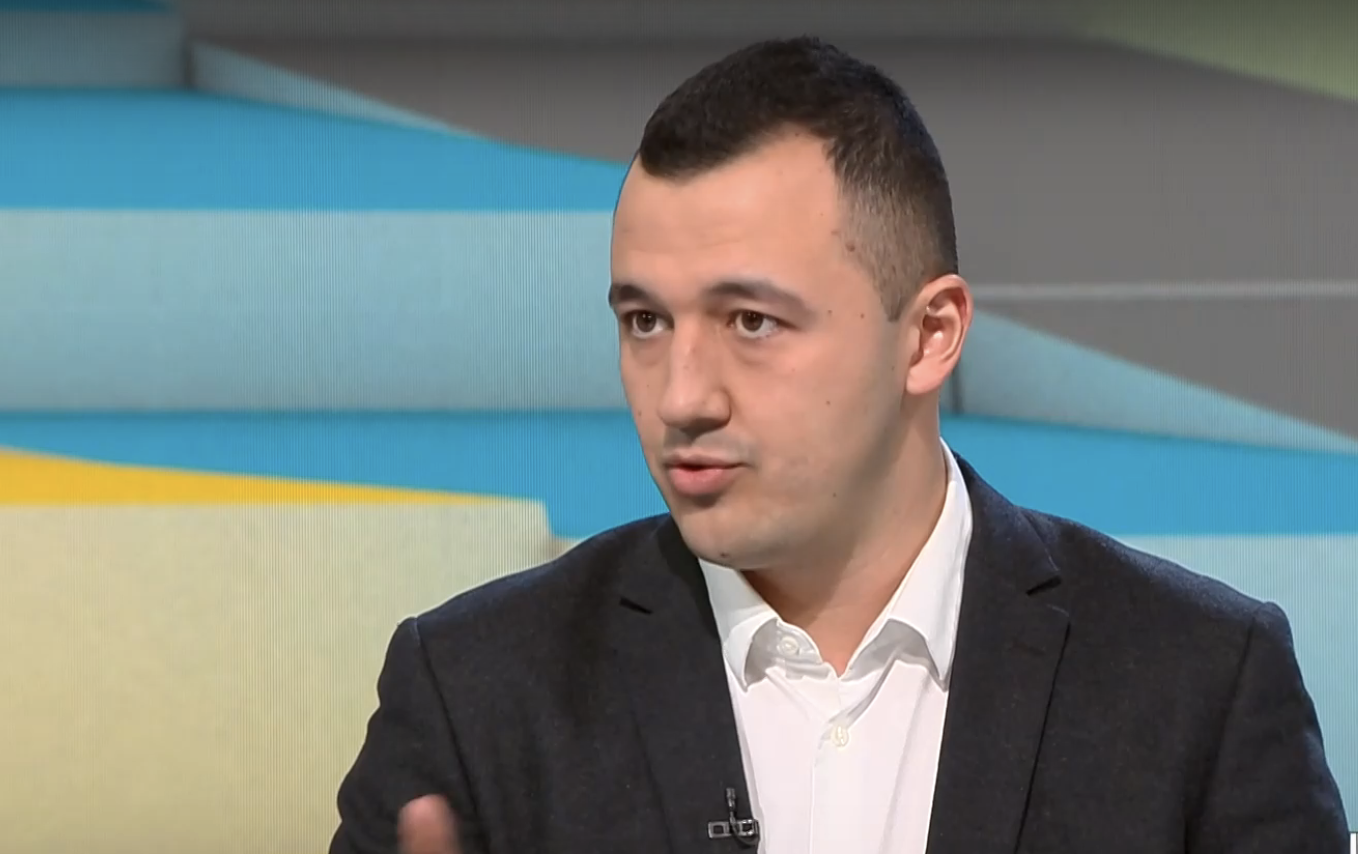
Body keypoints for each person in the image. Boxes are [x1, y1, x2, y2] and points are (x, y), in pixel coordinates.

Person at [329, 36, 1349, 854]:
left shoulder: (1196, 682)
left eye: (751, 321)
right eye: (644, 321)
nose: (681, 396)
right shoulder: (474, 692)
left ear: (928, 336)